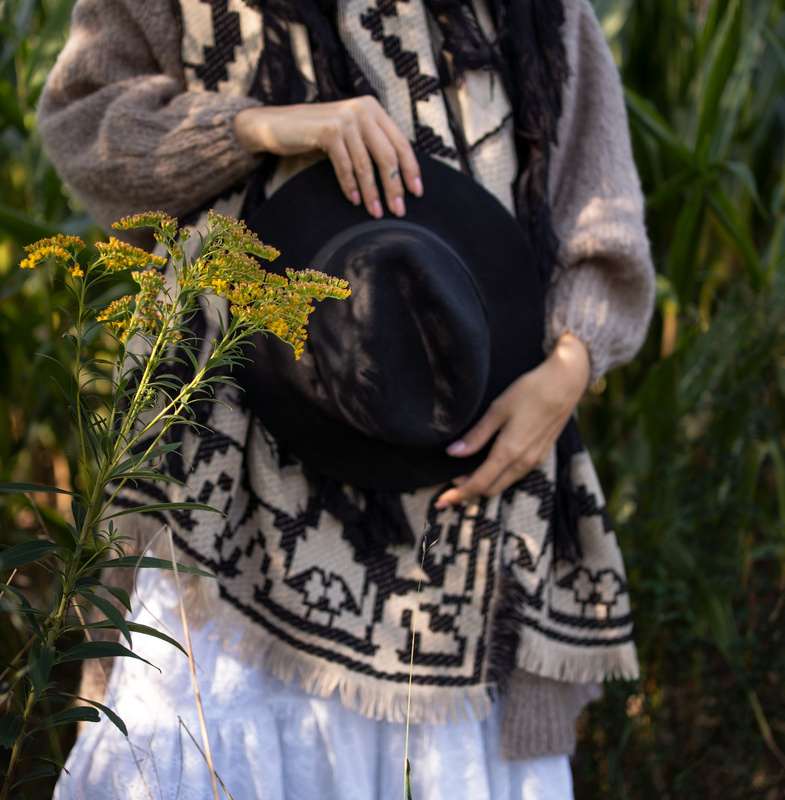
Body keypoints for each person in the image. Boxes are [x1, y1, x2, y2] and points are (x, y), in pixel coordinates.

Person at [38, 1, 655, 798]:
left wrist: (571, 365)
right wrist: (260, 126)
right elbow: (86, 124)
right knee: (203, 730)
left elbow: (598, 203)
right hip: (234, 494)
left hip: (472, 486)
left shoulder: (536, 10)